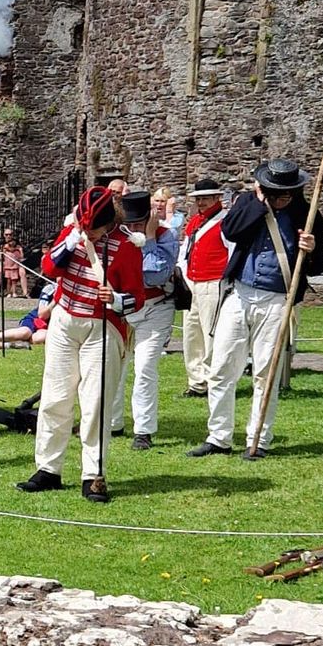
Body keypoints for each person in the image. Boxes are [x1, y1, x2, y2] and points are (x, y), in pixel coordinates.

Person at [188, 157, 323, 459]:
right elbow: (231, 231)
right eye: (275, 193)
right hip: (240, 294)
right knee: (222, 367)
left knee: (266, 372)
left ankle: (259, 439)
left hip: (279, 299)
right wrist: (260, 204)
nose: (281, 199)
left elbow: (319, 267)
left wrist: (312, 250)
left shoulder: (309, 214)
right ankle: (219, 437)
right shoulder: (248, 203)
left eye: (286, 194)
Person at [17, 185, 145, 503]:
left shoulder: (127, 246)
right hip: (64, 321)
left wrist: (115, 299)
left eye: (94, 227)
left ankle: (93, 475)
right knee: (54, 398)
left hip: (103, 326)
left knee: (95, 403)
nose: (90, 231)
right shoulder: (72, 233)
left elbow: (138, 299)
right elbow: (49, 268)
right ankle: (48, 468)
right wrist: (74, 237)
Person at [115, 188, 179, 451]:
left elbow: (155, 276)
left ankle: (143, 430)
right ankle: (112, 422)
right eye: (129, 224)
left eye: (138, 224)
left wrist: (150, 238)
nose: (133, 229)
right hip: (125, 308)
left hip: (156, 307)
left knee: (144, 368)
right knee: (114, 369)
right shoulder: (118, 238)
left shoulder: (166, 236)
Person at [178, 177, 229, 398]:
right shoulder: (194, 222)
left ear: (217, 198)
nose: (202, 203)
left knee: (210, 334)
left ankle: (212, 380)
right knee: (191, 335)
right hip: (193, 282)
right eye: (199, 199)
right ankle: (196, 381)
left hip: (213, 282)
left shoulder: (226, 222)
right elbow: (185, 251)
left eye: (206, 198)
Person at [0, 228, 29, 298]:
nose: (8, 236)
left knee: (22, 272)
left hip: (16, 262)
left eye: (10, 234)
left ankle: (25, 293)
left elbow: (21, 253)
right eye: (6, 234)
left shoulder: (17, 243)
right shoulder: (1, 243)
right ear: (4, 235)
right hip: (5, 261)